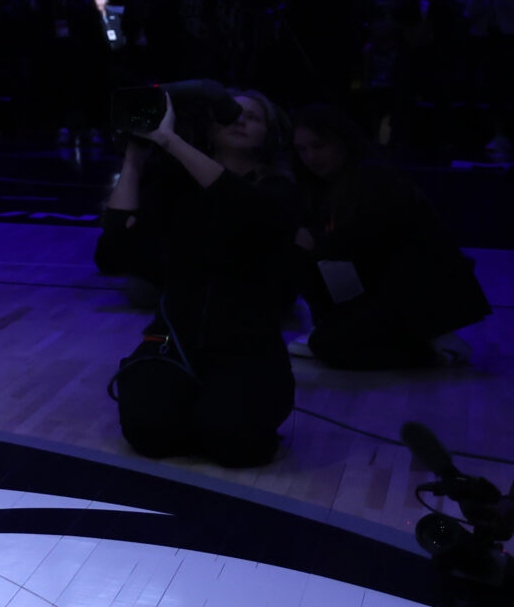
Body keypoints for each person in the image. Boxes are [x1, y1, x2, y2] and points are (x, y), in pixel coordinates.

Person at [103, 85, 300, 467]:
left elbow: (246, 210)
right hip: (175, 334)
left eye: (253, 117)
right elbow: (113, 254)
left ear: (270, 135)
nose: (240, 120)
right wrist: (134, 158)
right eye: (230, 114)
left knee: (235, 443)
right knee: (147, 432)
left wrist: (171, 141)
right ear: (209, 129)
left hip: (247, 343)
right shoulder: (177, 185)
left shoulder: (279, 190)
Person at [289, 105, 488, 368]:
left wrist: (313, 241)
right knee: (325, 330)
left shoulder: (373, 175)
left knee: (328, 346)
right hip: (384, 287)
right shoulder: (326, 186)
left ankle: (433, 349)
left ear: (342, 142)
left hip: (415, 290)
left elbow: (364, 242)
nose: (310, 157)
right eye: (302, 150)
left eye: (319, 146)